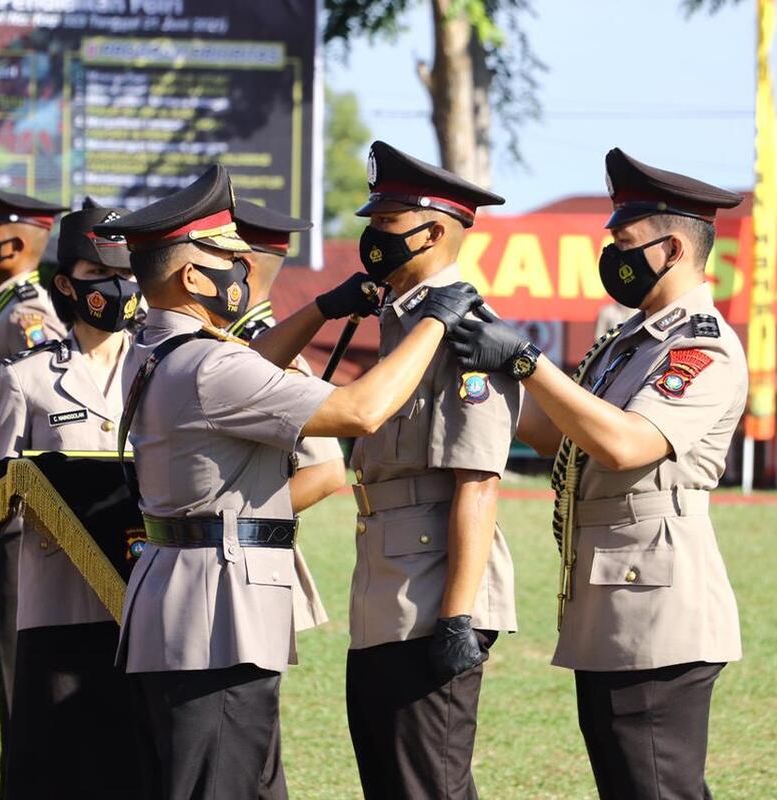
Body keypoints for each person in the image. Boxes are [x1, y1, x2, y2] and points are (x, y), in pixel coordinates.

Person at [94, 163, 484, 800]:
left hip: (182, 598)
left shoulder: (157, 346)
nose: (243, 275)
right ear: (194, 275)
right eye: (230, 261)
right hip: (217, 613)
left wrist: (322, 310)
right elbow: (359, 411)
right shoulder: (208, 364)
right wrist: (437, 321)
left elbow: (247, 363)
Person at [448, 149, 746, 800]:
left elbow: (625, 444)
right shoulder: (628, 340)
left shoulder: (701, 347)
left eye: (624, 241)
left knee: (656, 787)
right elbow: (559, 434)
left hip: (659, 612)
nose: (611, 253)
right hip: (614, 606)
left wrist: (527, 361)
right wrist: (475, 371)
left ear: (670, 250)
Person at [344, 140, 521, 800]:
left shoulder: (464, 325)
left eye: (386, 224)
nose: (372, 238)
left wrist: (457, 617)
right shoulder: (403, 317)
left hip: (434, 589)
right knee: (393, 780)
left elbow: (478, 480)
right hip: (391, 580)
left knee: (428, 784)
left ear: (434, 230)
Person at [0, 199, 147, 799]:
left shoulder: (164, 370)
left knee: (135, 765)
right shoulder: (24, 379)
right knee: (54, 767)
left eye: (127, 275)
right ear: (65, 285)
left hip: (145, 603)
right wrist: (26, 492)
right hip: (58, 602)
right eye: (99, 276)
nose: (118, 288)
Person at [226, 199, 347, 800]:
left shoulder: (263, 351)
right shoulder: (228, 343)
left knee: (247, 754)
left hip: (239, 567)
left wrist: (226, 522)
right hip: (215, 574)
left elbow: (326, 473)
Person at [0, 177, 68, 789]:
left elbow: (52, 393)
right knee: (12, 658)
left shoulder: (28, 311)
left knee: (20, 663)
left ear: (19, 244)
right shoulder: (3, 302)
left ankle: (27, 781)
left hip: (19, 509)